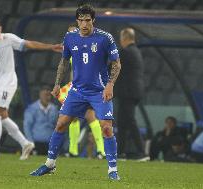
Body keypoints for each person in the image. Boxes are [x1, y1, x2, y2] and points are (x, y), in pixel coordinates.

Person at [30, 5, 121, 180]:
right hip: (77, 91)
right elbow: (64, 62)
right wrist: (57, 84)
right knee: (61, 124)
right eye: (81, 20)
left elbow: (117, 63)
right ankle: (50, 164)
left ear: (93, 20)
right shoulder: (70, 38)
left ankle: (112, 170)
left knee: (107, 128)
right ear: (77, 21)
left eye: (88, 20)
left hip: (99, 91)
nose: (84, 24)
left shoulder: (105, 38)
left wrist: (110, 84)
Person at [0, 15, 62, 160]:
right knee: (2, 116)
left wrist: (51, 46)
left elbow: (29, 44)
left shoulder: (8, 38)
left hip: (8, 81)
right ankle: (25, 143)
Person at [58, 23, 105, 159]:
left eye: (73, 32)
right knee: (72, 118)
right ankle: (73, 151)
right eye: (68, 33)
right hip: (75, 87)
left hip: (89, 87)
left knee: (90, 116)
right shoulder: (71, 48)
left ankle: (101, 150)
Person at [115, 28, 145, 159]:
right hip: (133, 91)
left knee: (130, 121)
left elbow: (114, 67)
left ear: (125, 38)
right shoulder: (136, 51)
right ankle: (120, 151)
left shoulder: (126, 52)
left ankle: (142, 151)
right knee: (122, 121)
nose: (120, 41)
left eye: (121, 38)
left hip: (127, 92)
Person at [24, 86, 59, 155]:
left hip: (50, 142)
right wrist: (31, 142)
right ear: (40, 95)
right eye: (45, 95)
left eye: (48, 95)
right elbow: (27, 126)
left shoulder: (54, 109)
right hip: (36, 142)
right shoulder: (32, 108)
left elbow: (57, 126)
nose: (46, 97)